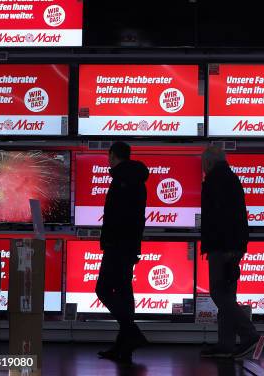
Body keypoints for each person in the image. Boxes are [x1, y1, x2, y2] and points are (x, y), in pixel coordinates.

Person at [200, 146, 260, 358]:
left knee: (218, 292)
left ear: (208, 162)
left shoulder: (215, 181)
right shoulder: (230, 178)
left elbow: (217, 219)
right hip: (232, 245)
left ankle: (250, 334)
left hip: (223, 247)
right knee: (227, 293)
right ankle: (225, 344)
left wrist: (222, 248)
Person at [96, 141, 149, 363]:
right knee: (125, 294)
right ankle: (123, 346)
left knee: (104, 289)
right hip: (129, 246)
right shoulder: (137, 180)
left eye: (108, 155)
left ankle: (132, 332)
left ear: (113, 156)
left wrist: (108, 241)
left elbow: (117, 217)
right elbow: (135, 218)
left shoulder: (120, 181)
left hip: (117, 246)